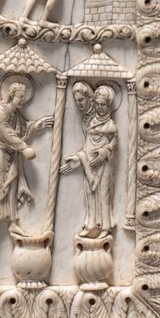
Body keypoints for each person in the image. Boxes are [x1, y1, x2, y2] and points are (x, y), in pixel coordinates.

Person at [0, 76, 52, 236]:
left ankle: (12, 222)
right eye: (20, 97)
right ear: (12, 95)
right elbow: (7, 133)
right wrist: (24, 148)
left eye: (24, 97)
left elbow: (24, 127)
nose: (23, 100)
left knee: (11, 187)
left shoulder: (15, 114)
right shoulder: (0, 112)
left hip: (12, 155)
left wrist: (36, 126)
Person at [62, 82, 119, 238]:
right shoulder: (92, 122)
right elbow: (87, 145)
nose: (100, 108)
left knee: (104, 194)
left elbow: (114, 144)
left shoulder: (110, 125)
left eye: (103, 105)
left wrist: (105, 151)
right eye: (97, 104)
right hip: (89, 164)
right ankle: (91, 224)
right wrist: (79, 157)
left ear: (109, 106)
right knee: (90, 194)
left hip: (104, 165)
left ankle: (106, 226)